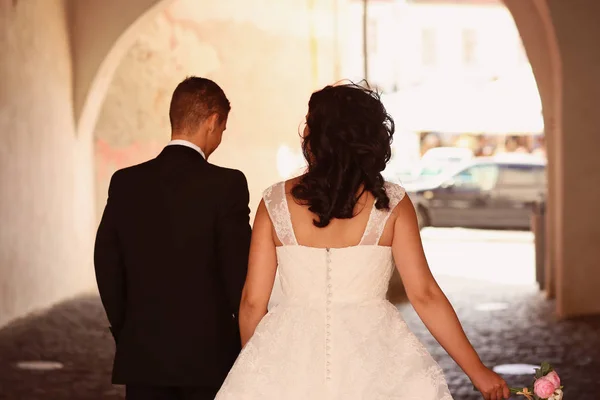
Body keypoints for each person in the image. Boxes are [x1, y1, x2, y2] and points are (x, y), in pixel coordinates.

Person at [215, 83, 510, 400]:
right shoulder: (393, 203)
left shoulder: (274, 202)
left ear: (314, 135)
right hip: (376, 361)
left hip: (288, 359)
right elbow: (424, 294)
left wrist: (257, 366)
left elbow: (252, 303)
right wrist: (477, 371)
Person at [94, 77, 251, 400]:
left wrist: (128, 329)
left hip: (144, 357)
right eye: (222, 127)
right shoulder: (227, 185)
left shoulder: (126, 183)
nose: (220, 136)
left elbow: (106, 262)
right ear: (212, 121)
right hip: (208, 358)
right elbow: (239, 274)